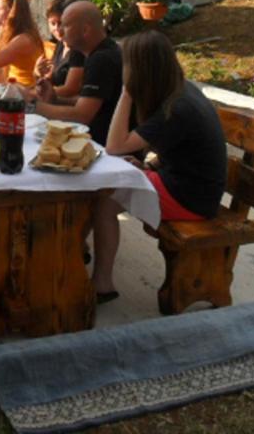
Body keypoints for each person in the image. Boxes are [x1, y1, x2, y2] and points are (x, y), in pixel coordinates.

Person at [94, 30, 227, 303]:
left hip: (191, 198)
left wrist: (126, 93)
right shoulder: (179, 90)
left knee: (105, 199)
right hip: (187, 185)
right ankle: (80, 259)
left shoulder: (177, 108)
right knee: (106, 185)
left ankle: (101, 283)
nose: (123, 69)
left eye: (127, 64)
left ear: (141, 69)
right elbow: (179, 152)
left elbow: (114, 146)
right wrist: (148, 167)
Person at [21, 0, 121, 146]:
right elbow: (90, 100)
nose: (60, 30)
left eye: (65, 25)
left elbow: (82, 115)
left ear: (85, 30)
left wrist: (30, 104)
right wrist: (55, 99)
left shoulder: (101, 59)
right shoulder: (100, 52)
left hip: (99, 146)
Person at [34, 0, 84, 98]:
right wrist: (38, 73)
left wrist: (32, 95)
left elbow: (70, 90)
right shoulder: (61, 44)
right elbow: (52, 79)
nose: (57, 29)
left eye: (61, 23)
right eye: (53, 23)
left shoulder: (78, 49)